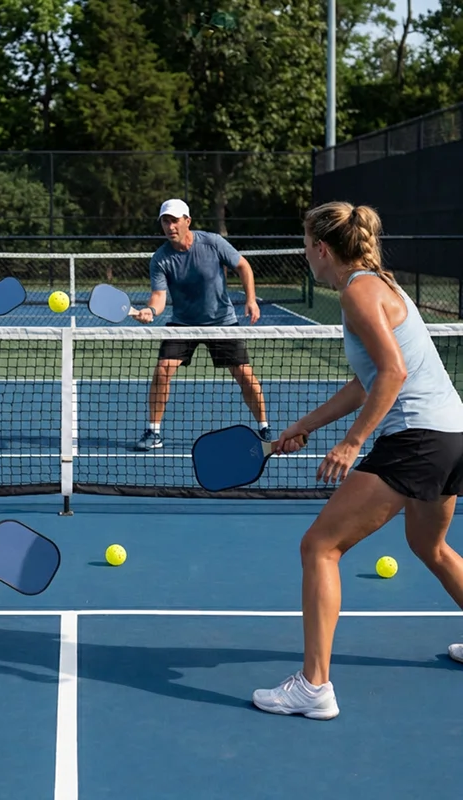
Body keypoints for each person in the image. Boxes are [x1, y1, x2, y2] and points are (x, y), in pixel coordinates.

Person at [252, 202, 463, 720]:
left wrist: (352, 443)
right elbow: (367, 380)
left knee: (320, 547)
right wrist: (306, 425)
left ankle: (313, 687)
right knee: (429, 546)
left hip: (416, 439)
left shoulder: (356, 293)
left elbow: (393, 373)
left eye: (307, 246)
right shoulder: (381, 285)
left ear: (322, 249)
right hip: (451, 434)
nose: (306, 255)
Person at [134, 199, 270, 451]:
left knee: (244, 374)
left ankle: (264, 427)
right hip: (183, 323)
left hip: (222, 322)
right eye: (165, 221)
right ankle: (154, 432)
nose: (170, 226)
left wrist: (251, 299)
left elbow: (243, 266)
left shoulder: (212, 242)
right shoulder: (160, 259)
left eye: (175, 221)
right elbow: (159, 296)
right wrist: (150, 310)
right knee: (163, 370)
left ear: (187, 221)